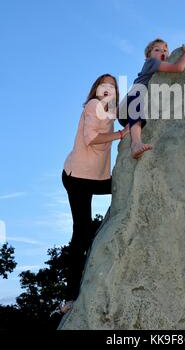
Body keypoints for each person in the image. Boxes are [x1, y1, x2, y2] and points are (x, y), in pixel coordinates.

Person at [60, 74, 129, 313]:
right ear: (97, 88)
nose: (108, 87)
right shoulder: (93, 106)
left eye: (112, 84)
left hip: (97, 177)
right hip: (77, 177)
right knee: (81, 233)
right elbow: (91, 138)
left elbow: (130, 118)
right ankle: (69, 298)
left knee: (126, 183)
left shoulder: (110, 110)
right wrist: (121, 135)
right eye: (104, 84)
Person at [118, 38, 185, 159]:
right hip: (128, 105)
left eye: (165, 50)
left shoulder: (161, 65)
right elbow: (179, 67)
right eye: (157, 50)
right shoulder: (151, 63)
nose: (162, 52)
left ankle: (132, 127)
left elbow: (183, 63)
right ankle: (136, 144)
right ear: (149, 56)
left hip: (136, 110)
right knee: (137, 96)